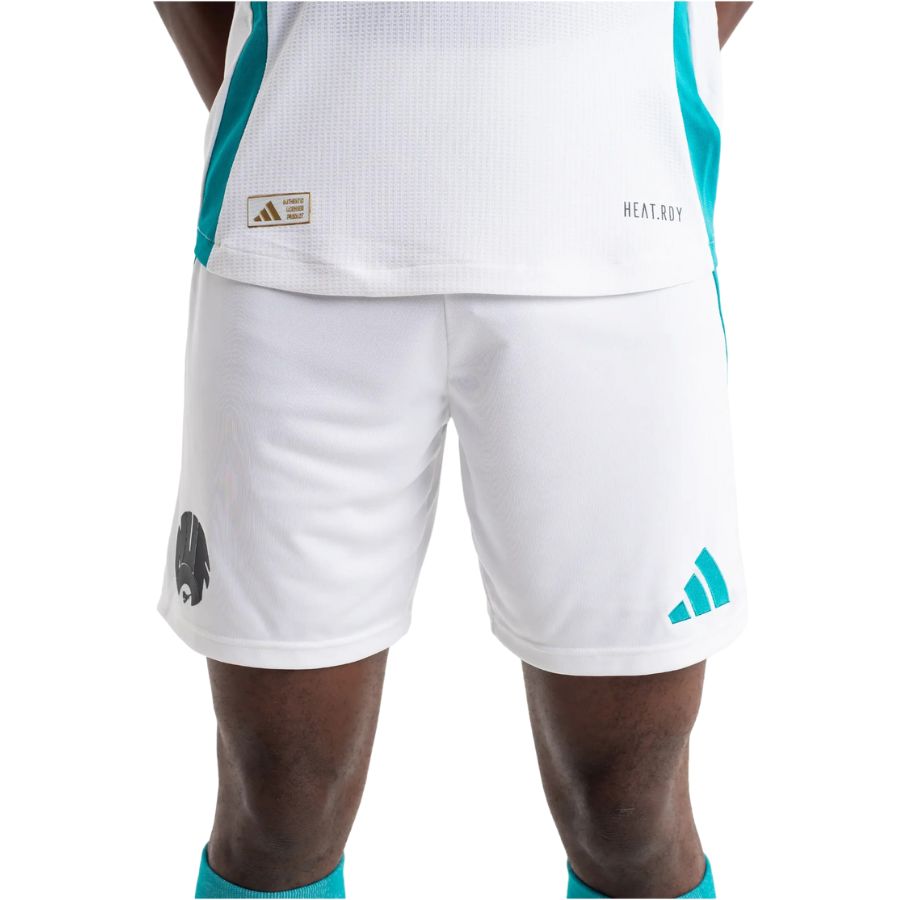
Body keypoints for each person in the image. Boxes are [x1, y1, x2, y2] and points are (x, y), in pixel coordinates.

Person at [153, 2, 752, 897]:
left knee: (627, 811)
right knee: (280, 805)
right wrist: (290, 78)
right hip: (298, 235)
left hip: (617, 236)